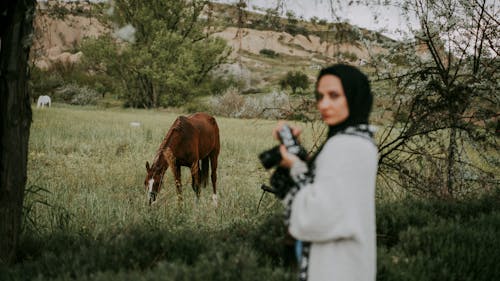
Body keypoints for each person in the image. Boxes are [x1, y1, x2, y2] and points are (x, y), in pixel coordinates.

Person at [273, 64, 378, 281]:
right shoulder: (361, 141)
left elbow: (314, 218)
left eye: (334, 95)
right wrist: (298, 154)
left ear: (354, 95)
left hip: (336, 270)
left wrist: (294, 166)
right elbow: (329, 193)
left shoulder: (344, 145)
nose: (324, 104)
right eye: (320, 96)